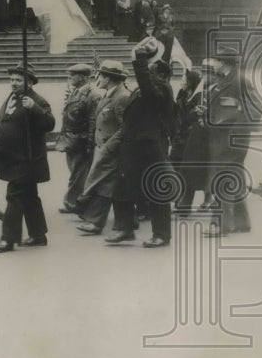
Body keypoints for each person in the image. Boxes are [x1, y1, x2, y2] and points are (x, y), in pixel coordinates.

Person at [105, 40, 175, 247]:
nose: (146, 74)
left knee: (156, 190)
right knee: (122, 188)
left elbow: (148, 88)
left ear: (161, 75)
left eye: (151, 70)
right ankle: (124, 229)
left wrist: (140, 61)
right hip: (132, 147)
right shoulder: (141, 90)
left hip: (150, 148)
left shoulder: (162, 89)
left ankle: (161, 234)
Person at [0, 64, 55, 252]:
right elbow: (3, 124)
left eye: (18, 80)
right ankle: (38, 235)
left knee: (14, 196)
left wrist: (34, 108)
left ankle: (8, 239)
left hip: (27, 160)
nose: (14, 83)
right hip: (12, 158)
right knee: (29, 197)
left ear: (30, 83)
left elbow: (49, 124)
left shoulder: (37, 100)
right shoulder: (11, 98)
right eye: (12, 80)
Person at [202, 46, 261, 238]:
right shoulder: (224, 80)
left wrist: (237, 129)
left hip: (231, 138)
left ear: (224, 62)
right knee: (233, 177)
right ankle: (241, 222)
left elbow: (255, 108)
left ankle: (220, 224)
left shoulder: (239, 81)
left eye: (216, 61)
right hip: (220, 137)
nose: (214, 64)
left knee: (221, 177)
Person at [76, 61, 132, 236]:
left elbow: (126, 127)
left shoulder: (122, 97)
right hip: (103, 149)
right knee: (106, 186)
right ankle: (114, 223)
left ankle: (97, 222)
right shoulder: (109, 94)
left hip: (113, 150)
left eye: (100, 75)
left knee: (105, 185)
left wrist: (109, 146)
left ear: (108, 78)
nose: (97, 78)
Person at [56, 64, 99, 215]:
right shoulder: (76, 92)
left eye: (72, 75)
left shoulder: (92, 95)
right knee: (75, 172)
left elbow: (93, 120)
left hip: (81, 141)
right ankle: (73, 202)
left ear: (81, 77)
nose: (70, 78)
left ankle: (76, 203)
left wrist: (89, 143)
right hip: (72, 140)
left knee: (80, 174)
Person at [170, 68, 207, 215]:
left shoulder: (200, 96)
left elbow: (192, 116)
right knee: (175, 169)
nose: (182, 82)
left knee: (187, 172)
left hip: (191, 138)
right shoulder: (182, 93)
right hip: (179, 137)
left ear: (192, 82)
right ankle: (178, 201)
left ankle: (184, 206)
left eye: (184, 80)